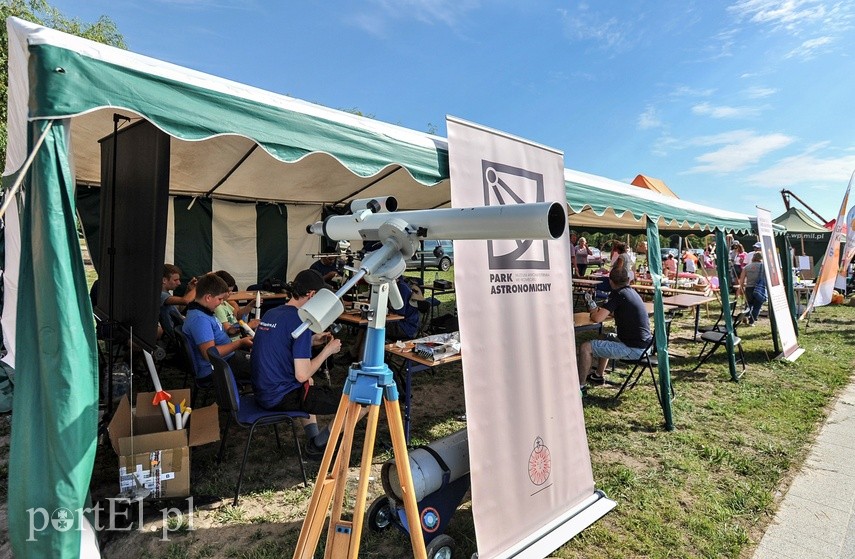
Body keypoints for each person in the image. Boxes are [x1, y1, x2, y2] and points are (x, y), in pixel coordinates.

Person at [250, 269, 349, 457]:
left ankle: (314, 438)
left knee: (308, 384)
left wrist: (310, 342)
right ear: (311, 295)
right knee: (359, 399)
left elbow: (280, 344)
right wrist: (328, 350)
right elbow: (302, 374)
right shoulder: (301, 321)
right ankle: (320, 444)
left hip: (262, 391)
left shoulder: (272, 313)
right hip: (280, 397)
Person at [578, 265, 653, 386]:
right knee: (605, 337)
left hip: (633, 348)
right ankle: (598, 375)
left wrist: (593, 310)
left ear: (610, 281)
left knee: (585, 348)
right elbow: (617, 311)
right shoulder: (631, 292)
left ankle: (580, 386)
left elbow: (597, 318)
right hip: (645, 345)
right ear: (628, 280)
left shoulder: (617, 294)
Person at [183, 273, 253, 384]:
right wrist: (239, 343)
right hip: (217, 367)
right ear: (208, 297)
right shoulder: (200, 319)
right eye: (220, 299)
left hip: (225, 360)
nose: (221, 303)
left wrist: (236, 331)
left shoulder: (202, 312)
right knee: (266, 367)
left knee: (262, 362)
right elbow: (209, 354)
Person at [212, 270, 261, 341]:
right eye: (228, 291)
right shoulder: (218, 308)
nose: (231, 293)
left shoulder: (225, 303)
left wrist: (251, 305)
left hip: (239, 338)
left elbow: (238, 315)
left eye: (232, 291)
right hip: (233, 342)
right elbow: (228, 331)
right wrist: (248, 326)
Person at [160, 264, 197, 339]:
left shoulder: (166, 294)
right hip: (178, 337)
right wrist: (198, 287)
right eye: (175, 280)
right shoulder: (160, 295)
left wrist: (189, 290)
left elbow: (179, 309)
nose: (179, 283)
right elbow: (186, 301)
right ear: (164, 280)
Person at [739, 252, 766, 325]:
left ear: (753, 258)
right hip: (760, 289)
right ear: (761, 258)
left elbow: (741, 279)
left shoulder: (747, 267)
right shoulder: (764, 267)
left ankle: (746, 315)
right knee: (757, 306)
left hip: (749, 288)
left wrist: (740, 289)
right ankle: (751, 322)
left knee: (748, 304)